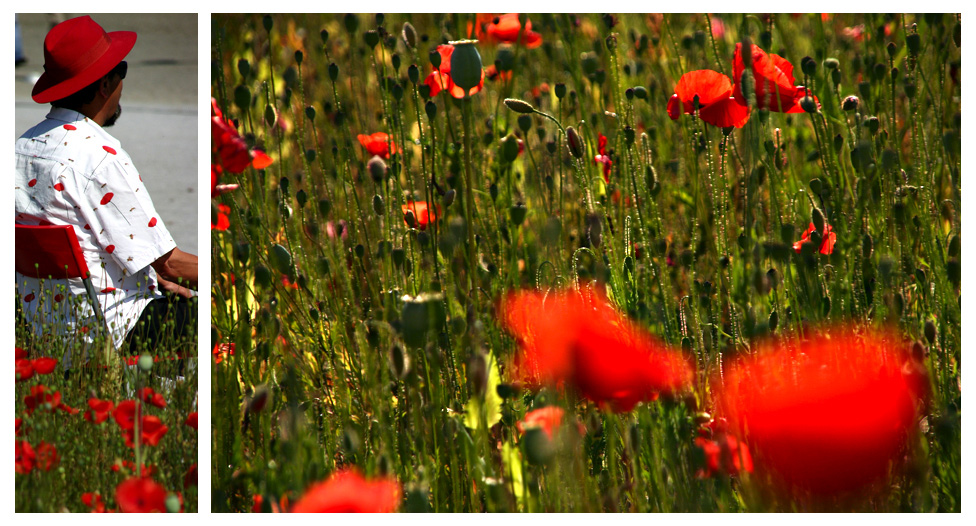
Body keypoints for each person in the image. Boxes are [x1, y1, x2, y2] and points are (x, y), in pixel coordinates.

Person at [15, 15, 197, 367]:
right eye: (122, 71)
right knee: (221, 313)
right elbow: (171, 263)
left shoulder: (19, 149)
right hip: (107, 327)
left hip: (37, 324)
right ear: (104, 85)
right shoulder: (99, 156)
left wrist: (152, 276)